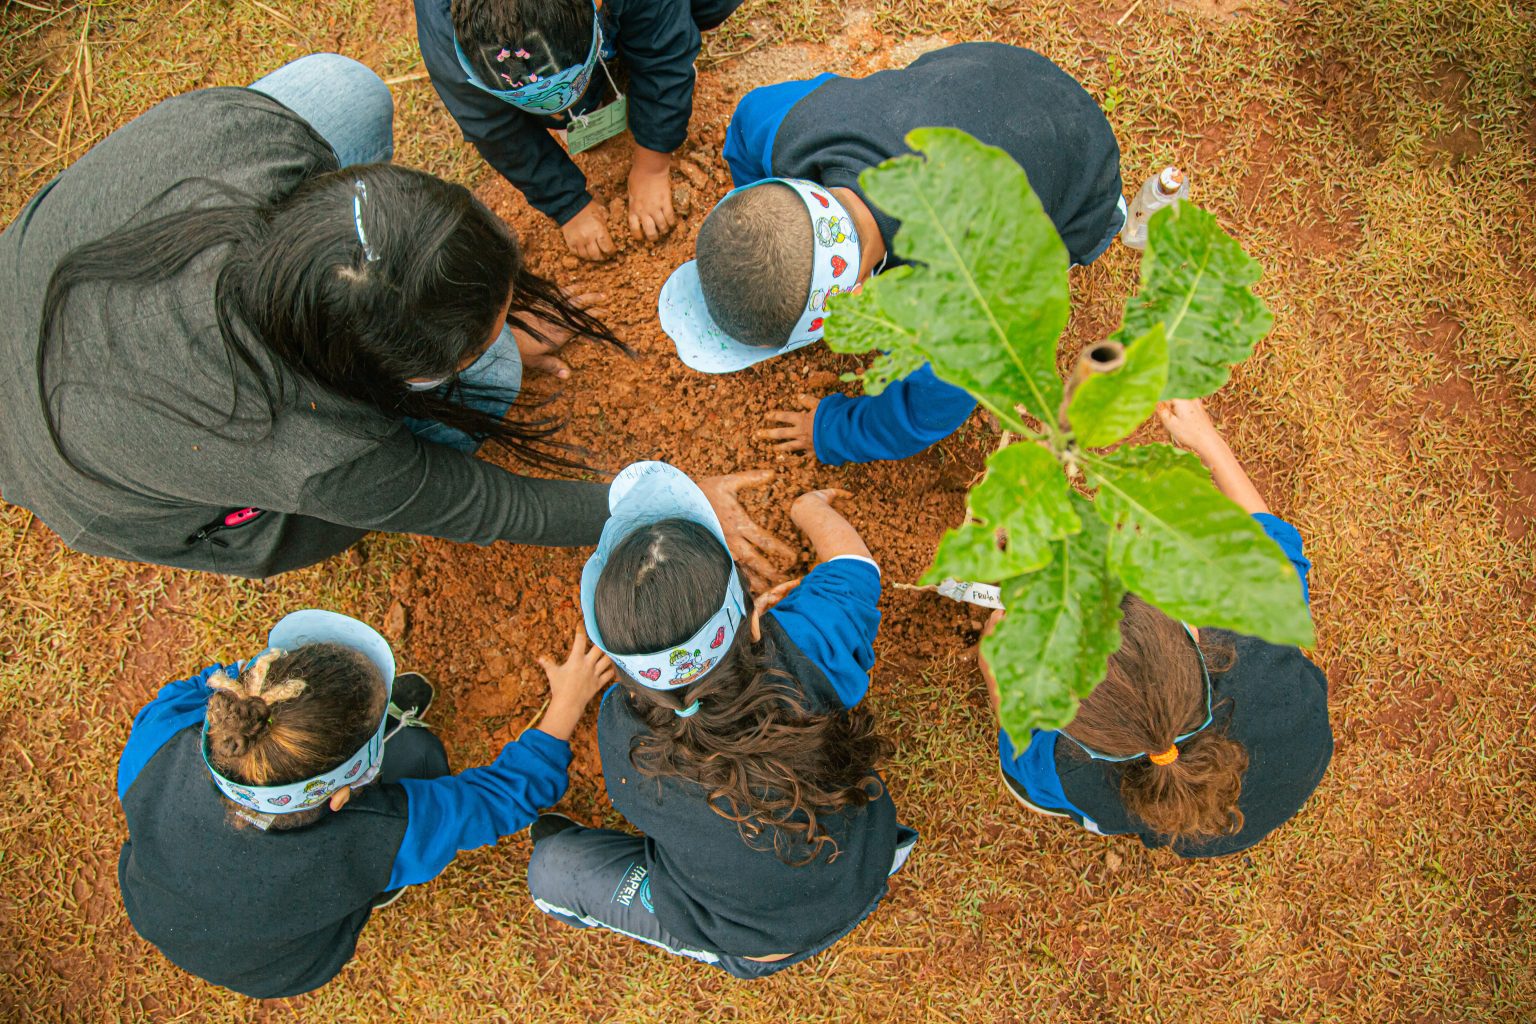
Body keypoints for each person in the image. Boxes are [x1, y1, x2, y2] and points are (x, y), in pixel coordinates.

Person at [0, 53, 788, 581]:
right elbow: (490, 505)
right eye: (458, 348)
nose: (513, 324)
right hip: (75, 468)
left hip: (34, 294)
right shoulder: (311, 447)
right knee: (496, 381)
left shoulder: (242, 135)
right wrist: (667, 497)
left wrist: (456, 311)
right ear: (377, 371)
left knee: (341, 90)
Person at [524, 462, 917, 976]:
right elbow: (855, 566)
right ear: (753, 619)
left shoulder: (624, 738)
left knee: (551, 867)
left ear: (624, 672)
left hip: (755, 940)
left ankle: (709, 944)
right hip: (866, 865)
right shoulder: (809, 641)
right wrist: (809, 508)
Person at [656, 42, 1125, 466]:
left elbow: (919, 417)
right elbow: (744, 129)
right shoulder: (788, 126)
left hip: (1082, 167)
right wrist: (769, 237)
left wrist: (831, 431)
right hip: (992, 69)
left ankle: (1108, 219)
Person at [116, 609, 614, 998]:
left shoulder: (158, 737)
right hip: (285, 962)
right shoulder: (375, 835)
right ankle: (370, 887)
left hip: (156, 903)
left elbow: (198, 687)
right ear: (342, 794)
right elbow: (507, 796)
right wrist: (569, 702)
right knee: (419, 754)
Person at [981, 399, 1332, 858]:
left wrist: (995, 679)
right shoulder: (1257, 629)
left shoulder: (1064, 768)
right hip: (1298, 753)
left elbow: (1021, 745)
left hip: (1234, 800)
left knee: (1030, 786)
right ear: (1190, 627)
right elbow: (1267, 539)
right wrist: (1206, 440)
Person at [416, 0, 744, 260]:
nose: (560, 116)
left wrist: (653, 165)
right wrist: (568, 204)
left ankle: (623, 49)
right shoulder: (444, 36)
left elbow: (664, 57)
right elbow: (491, 127)